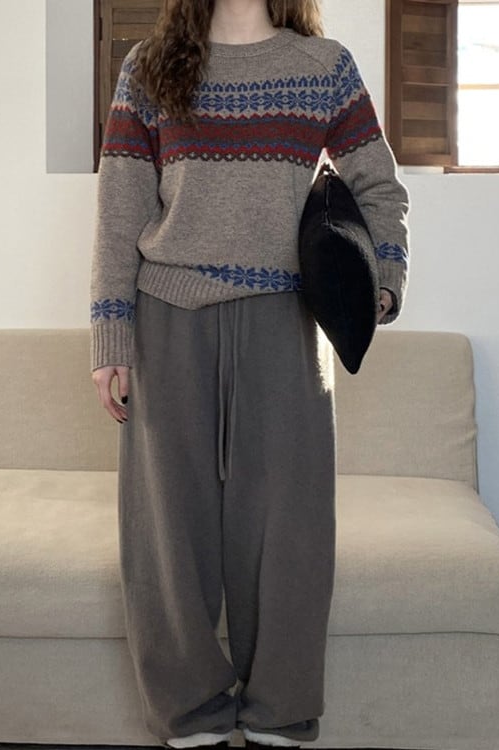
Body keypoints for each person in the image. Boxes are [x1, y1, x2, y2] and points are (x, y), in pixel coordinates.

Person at [89, 1, 410, 748]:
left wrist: (382, 279)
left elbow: (379, 186)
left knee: (291, 528)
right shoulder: (149, 68)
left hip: (287, 322)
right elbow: (118, 210)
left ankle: (280, 713)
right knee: (169, 531)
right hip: (168, 318)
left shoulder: (323, 67)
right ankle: (190, 715)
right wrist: (110, 336)